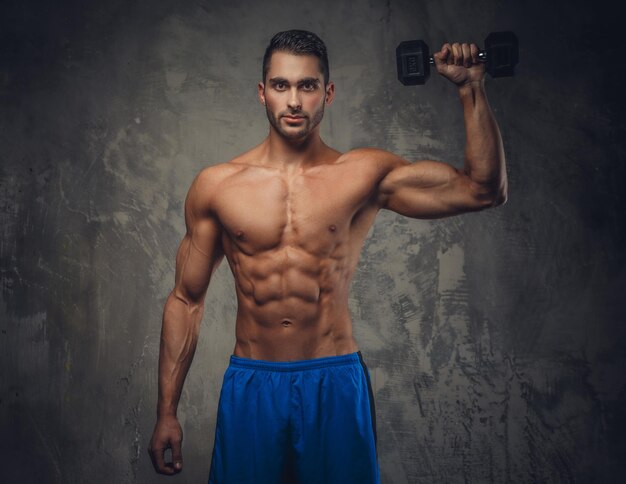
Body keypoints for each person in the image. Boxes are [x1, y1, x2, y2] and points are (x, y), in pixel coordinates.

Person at [148, 29, 507, 483]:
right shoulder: (218, 186)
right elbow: (186, 299)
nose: (294, 101)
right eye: (281, 85)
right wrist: (166, 412)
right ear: (262, 93)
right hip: (253, 384)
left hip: (333, 380)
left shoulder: (363, 174)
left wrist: (471, 87)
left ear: (328, 93)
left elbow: (484, 189)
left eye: (307, 86)